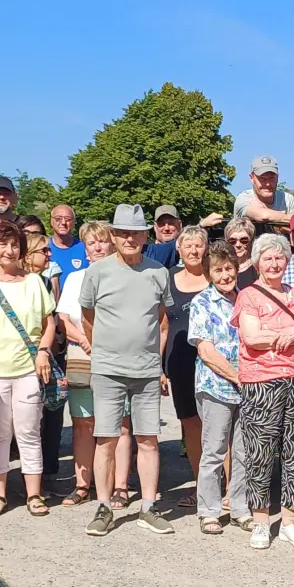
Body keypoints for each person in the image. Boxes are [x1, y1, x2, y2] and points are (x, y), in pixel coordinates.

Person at [80, 204, 174, 537]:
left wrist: (155, 360)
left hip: (147, 370)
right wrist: (105, 353)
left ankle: (148, 507)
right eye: (122, 232)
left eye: (135, 232)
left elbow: (162, 320)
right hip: (107, 369)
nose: (129, 238)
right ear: (113, 235)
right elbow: (87, 318)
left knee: (148, 439)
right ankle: (104, 507)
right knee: (106, 438)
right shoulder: (98, 272)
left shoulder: (157, 272)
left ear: (145, 235)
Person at [234, 233, 294, 550]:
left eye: (279, 258)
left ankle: (289, 519)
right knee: (260, 451)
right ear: (258, 262)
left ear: (287, 262)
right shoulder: (248, 295)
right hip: (261, 380)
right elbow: (252, 338)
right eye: (268, 258)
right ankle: (261, 521)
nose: (274, 263)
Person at [0, 222, 57, 516]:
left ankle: (34, 494)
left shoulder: (35, 282)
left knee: (29, 432)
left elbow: (49, 324)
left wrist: (43, 351)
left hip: (29, 369)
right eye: (3, 244)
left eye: (15, 244)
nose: (9, 250)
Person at [56, 221, 135, 508]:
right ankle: (82, 484)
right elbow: (65, 319)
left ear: (112, 243)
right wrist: (88, 341)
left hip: (117, 356)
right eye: (92, 242)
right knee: (83, 423)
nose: (98, 247)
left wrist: (100, 342)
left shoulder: (125, 275)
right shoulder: (75, 278)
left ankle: (120, 487)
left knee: (121, 424)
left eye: (103, 241)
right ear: (85, 248)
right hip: (82, 354)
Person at [188, 241, 252, 534]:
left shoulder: (246, 299)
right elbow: (206, 351)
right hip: (216, 386)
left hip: (247, 389)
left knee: (241, 451)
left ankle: (239, 507)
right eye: (218, 270)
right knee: (214, 451)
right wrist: (238, 376)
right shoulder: (202, 302)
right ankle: (209, 511)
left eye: (229, 269)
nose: (225, 275)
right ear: (209, 273)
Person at [164, 225, 211, 505]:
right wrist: (159, 366)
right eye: (188, 245)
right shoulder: (168, 278)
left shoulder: (216, 277)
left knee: (219, 426)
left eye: (199, 245)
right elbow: (160, 323)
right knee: (191, 427)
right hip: (180, 363)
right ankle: (200, 486)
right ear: (178, 249)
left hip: (212, 365)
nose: (194, 250)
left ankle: (228, 490)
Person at [24, 231, 66, 483]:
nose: (49, 254)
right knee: (28, 421)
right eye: (44, 250)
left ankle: (47, 472)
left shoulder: (47, 282)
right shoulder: (19, 282)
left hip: (48, 354)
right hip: (23, 357)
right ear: (28, 256)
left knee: (52, 411)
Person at [233, 155, 294, 236]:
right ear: (252, 178)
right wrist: (285, 220)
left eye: (271, 178)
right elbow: (264, 216)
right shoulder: (243, 199)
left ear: (278, 177)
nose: (268, 183)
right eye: (262, 178)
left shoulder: (287, 199)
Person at [49, 203, 89, 273]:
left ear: (74, 222)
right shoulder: (43, 248)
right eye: (58, 219)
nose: (63, 222)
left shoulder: (85, 248)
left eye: (68, 219)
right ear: (51, 221)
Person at [222, 216, 258, 287]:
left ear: (251, 241)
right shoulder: (220, 267)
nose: (238, 245)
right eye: (232, 241)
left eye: (244, 240)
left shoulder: (258, 269)